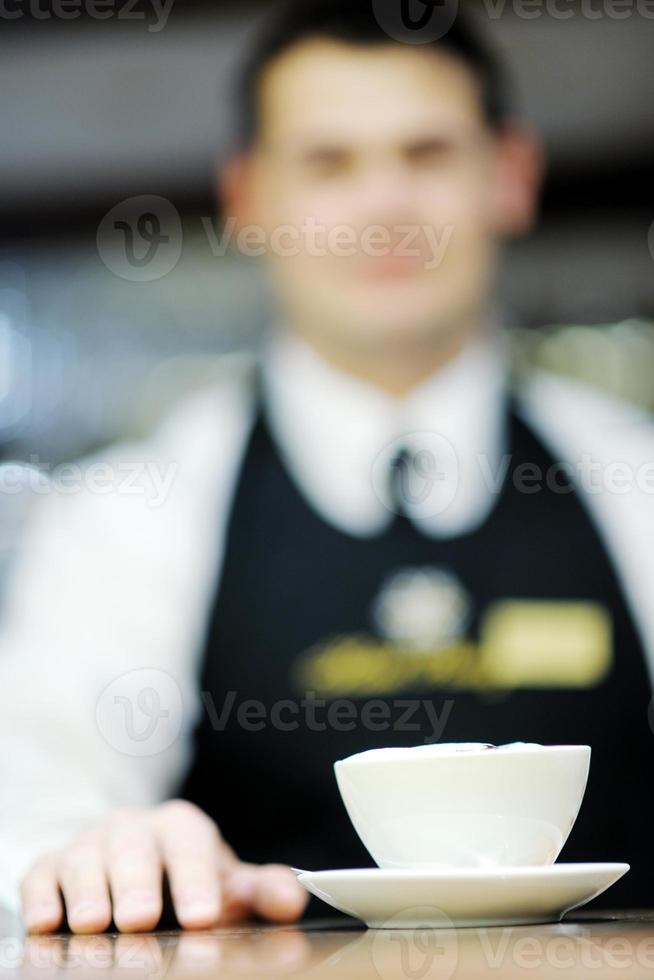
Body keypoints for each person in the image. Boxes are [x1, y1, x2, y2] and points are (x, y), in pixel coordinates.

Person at [1, 0, 653, 936]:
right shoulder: (129, 518)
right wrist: (93, 852)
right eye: (328, 162)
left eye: (426, 154)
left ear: (509, 178)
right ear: (247, 201)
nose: (383, 207)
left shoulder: (636, 480)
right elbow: (36, 789)